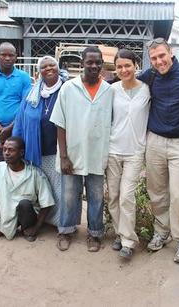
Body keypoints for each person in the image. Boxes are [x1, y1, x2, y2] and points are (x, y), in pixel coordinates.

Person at [138, 38, 179, 263]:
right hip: (154, 141)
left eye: (162, 56)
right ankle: (161, 232)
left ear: (171, 53)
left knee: (178, 194)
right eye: (154, 58)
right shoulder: (150, 76)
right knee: (156, 192)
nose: (158, 61)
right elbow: (126, 82)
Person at [50, 46, 113, 252]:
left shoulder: (109, 91)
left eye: (97, 62)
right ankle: (66, 230)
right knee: (69, 194)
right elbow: (60, 123)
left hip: (97, 153)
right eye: (89, 62)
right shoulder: (69, 88)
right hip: (72, 153)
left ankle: (95, 233)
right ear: (82, 63)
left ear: (102, 64)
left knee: (96, 196)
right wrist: (64, 156)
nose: (93, 66)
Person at [12, 56, 68, 228]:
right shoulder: (31, 93)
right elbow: (20, 120)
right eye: (44, 66)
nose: (48, 68)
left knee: (59, 190)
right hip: (35, 151)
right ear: (39, 71)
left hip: (58, 151)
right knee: (40, 189)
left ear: (58, 68)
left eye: (52, 65)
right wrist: (18, 146)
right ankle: (41, 220)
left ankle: (59, 223)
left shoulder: (67, 89)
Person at [0, 42, 32, 222]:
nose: (8, 58)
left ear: (16, 56)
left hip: (18, 130)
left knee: (19, 168)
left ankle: (18, 205)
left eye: (11, 55)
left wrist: (10, 128)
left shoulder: (24, 77)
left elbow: (26, 106)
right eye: (4, 55)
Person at [106, 49, 151, 259]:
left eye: (128, 65)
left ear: (136, 66)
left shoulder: (147, 90)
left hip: (135, 151)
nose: (124, 70)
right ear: (115, 68)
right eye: (119, 66)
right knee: (113, 196)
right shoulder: (112, 90)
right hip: (113, 150)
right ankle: (119, 232)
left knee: (126, 196)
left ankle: (128, 242)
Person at [0, 137, 56, 242]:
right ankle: (3, 224)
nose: (6, 153)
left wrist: (36, 228)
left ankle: (27, 228)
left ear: (21, 153)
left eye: (11, 150)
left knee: (24, 204)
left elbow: (47, 204)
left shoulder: (35, 173)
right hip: (6, 210)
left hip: (26, 213)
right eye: (4, 149)